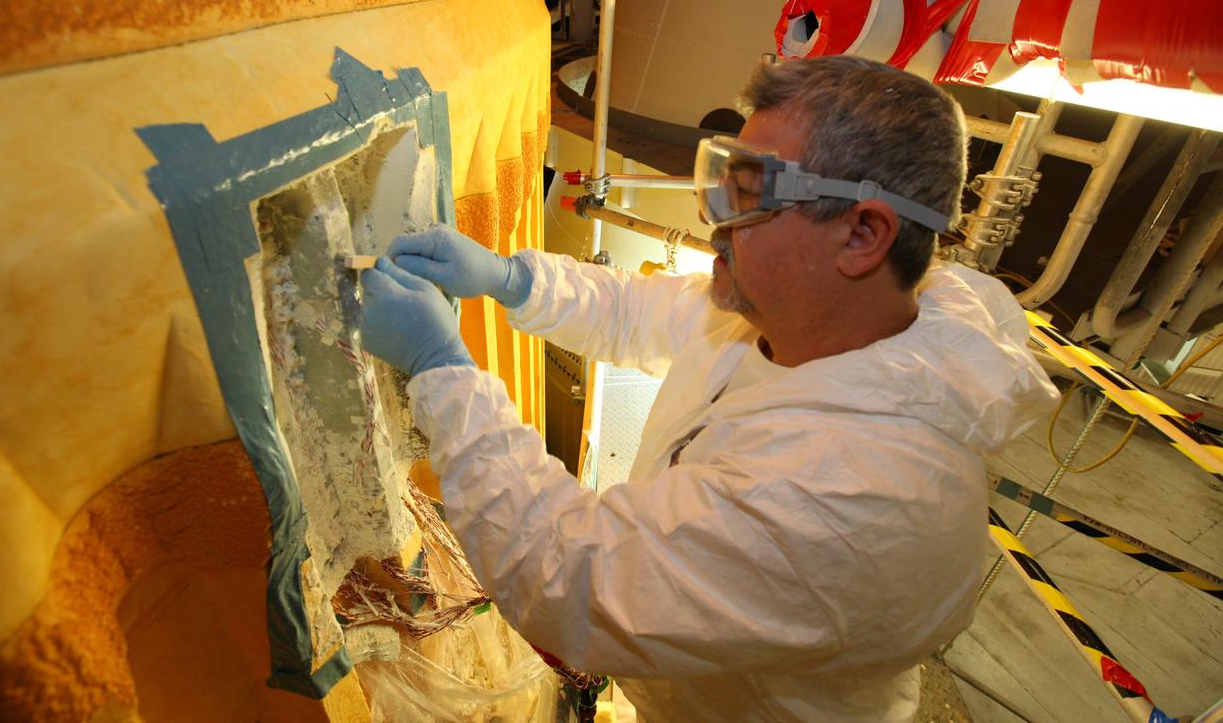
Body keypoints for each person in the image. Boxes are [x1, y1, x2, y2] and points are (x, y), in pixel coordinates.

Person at [357, 55, 1059, 721]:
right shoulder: (811, 319)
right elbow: (639, 311)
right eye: (724, 176)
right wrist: (514, 279)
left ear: (862, 235)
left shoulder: (847, 494)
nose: (714, 217)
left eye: (750, 194)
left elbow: (570, 577)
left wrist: (440, 367)